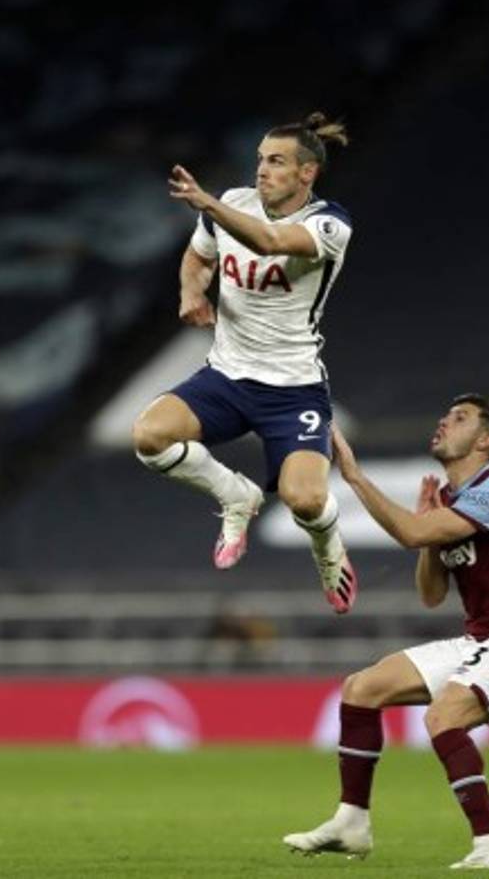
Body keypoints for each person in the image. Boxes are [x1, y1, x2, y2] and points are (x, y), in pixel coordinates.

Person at [283, 394, 489, 870]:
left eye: (460, 418)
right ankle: (351, 823)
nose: (444, 422)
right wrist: (432, 537)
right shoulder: (451, 500)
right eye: (446, 415)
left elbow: (409, 532)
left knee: (442, 718)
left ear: (485, 439)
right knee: (362, 689)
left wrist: (354, 477)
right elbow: (431, 594)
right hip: (481, 641)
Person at [132, 112, 358, 613]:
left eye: (276, 161)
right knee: (149, 436)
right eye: (260, 159)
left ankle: (329, 551)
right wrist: (191, 292)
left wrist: (207, 203)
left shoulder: (329, 224)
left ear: (307, 173)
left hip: (293, 389)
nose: (261, 170)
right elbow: (199, 256)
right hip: (227, 377)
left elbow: (271, 242)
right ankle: (236, 495)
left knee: (305, 500)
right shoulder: (234, 203)